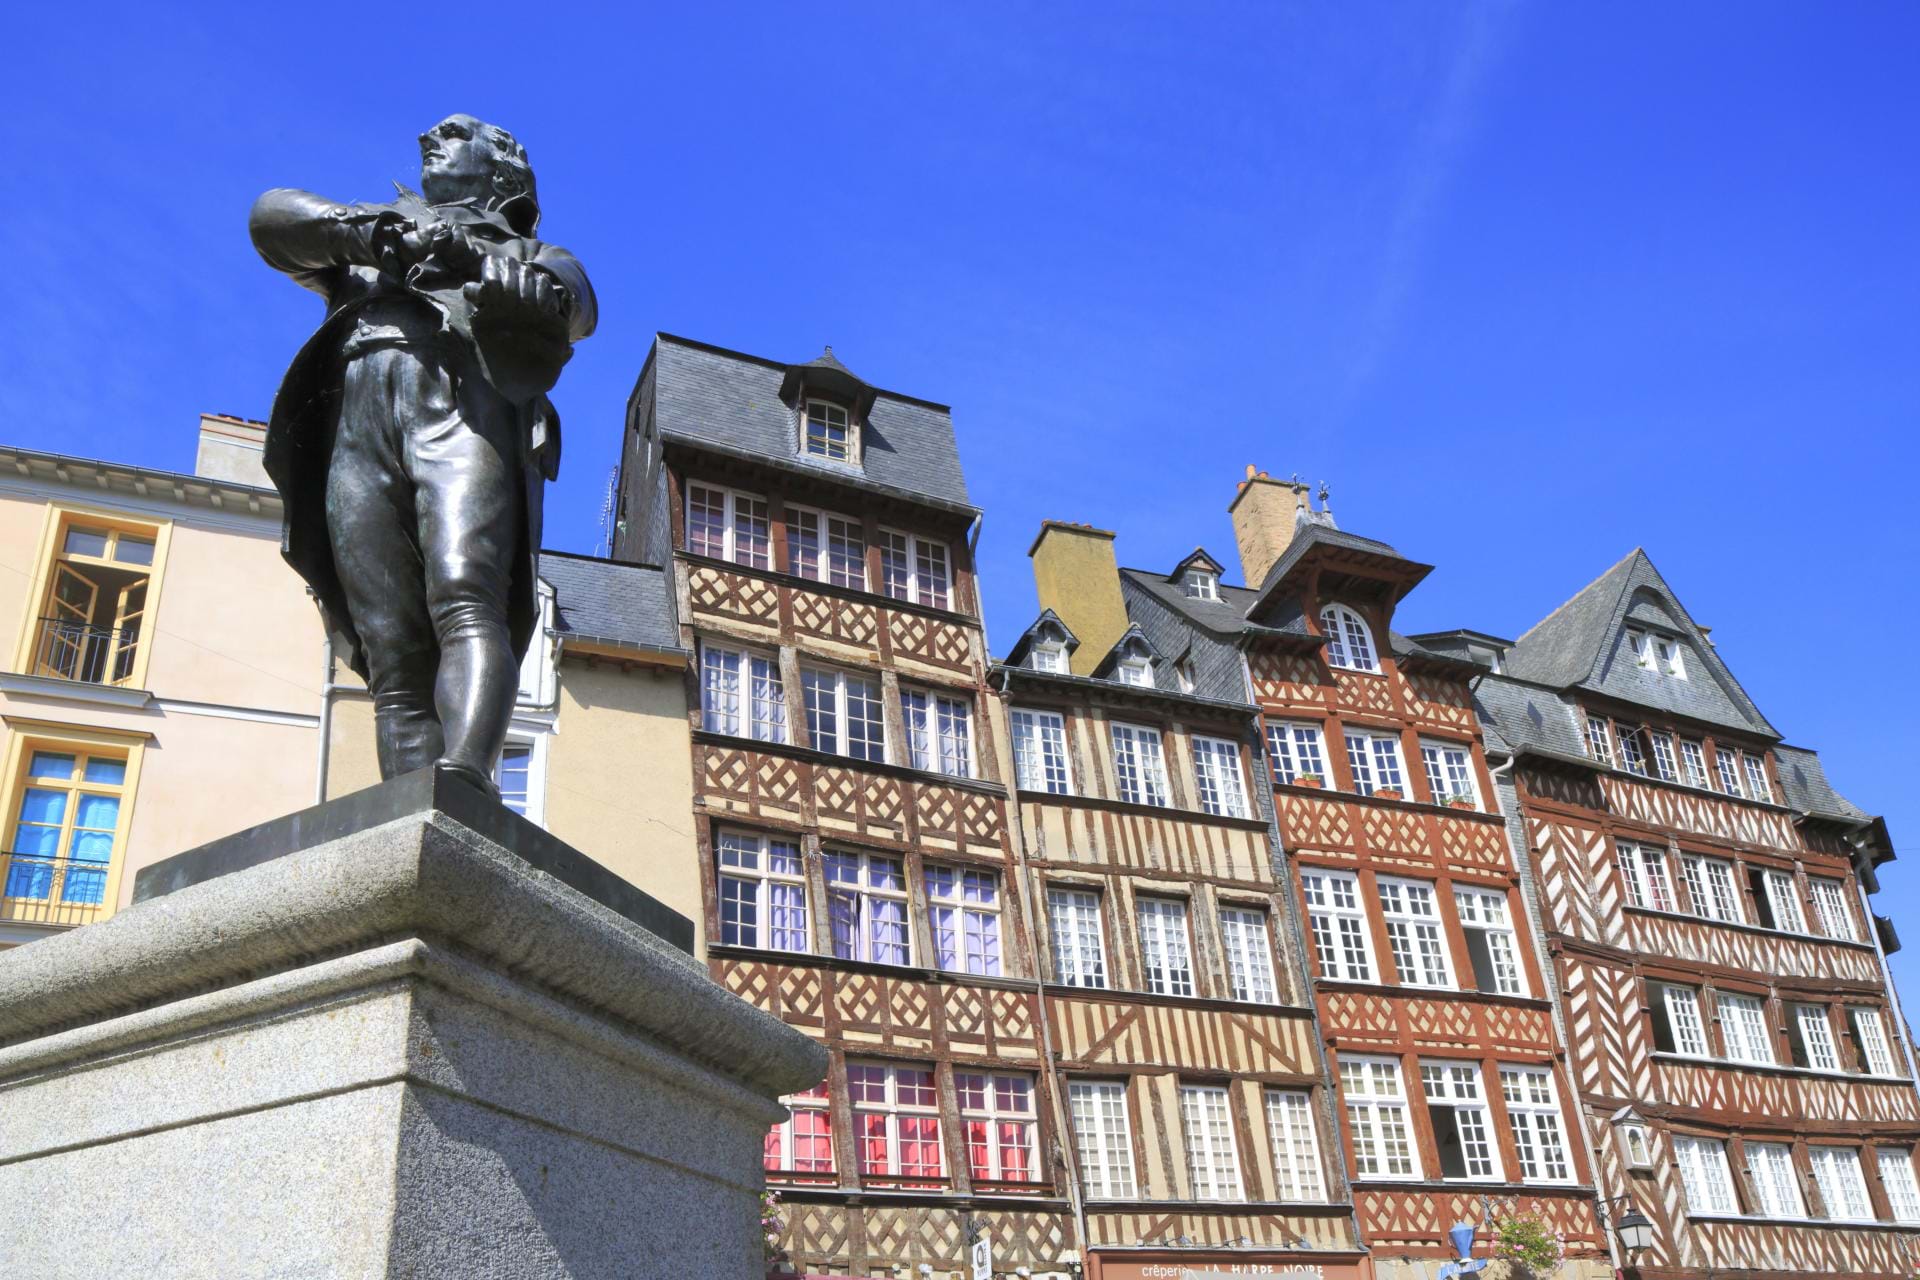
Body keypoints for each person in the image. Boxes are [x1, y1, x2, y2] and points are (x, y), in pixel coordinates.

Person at [250, 114, 596, 794]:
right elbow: (271, 221)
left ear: (504, 170)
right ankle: (408, 801)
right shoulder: (372, 233)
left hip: (465, 399)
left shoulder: (532, 249)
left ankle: (467, 776)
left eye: (456, 134)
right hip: (359, 406)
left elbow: (576, 305)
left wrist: (485, 267)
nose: (430, 139)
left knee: (467, 593)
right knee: (390, 641)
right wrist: (380, 234)